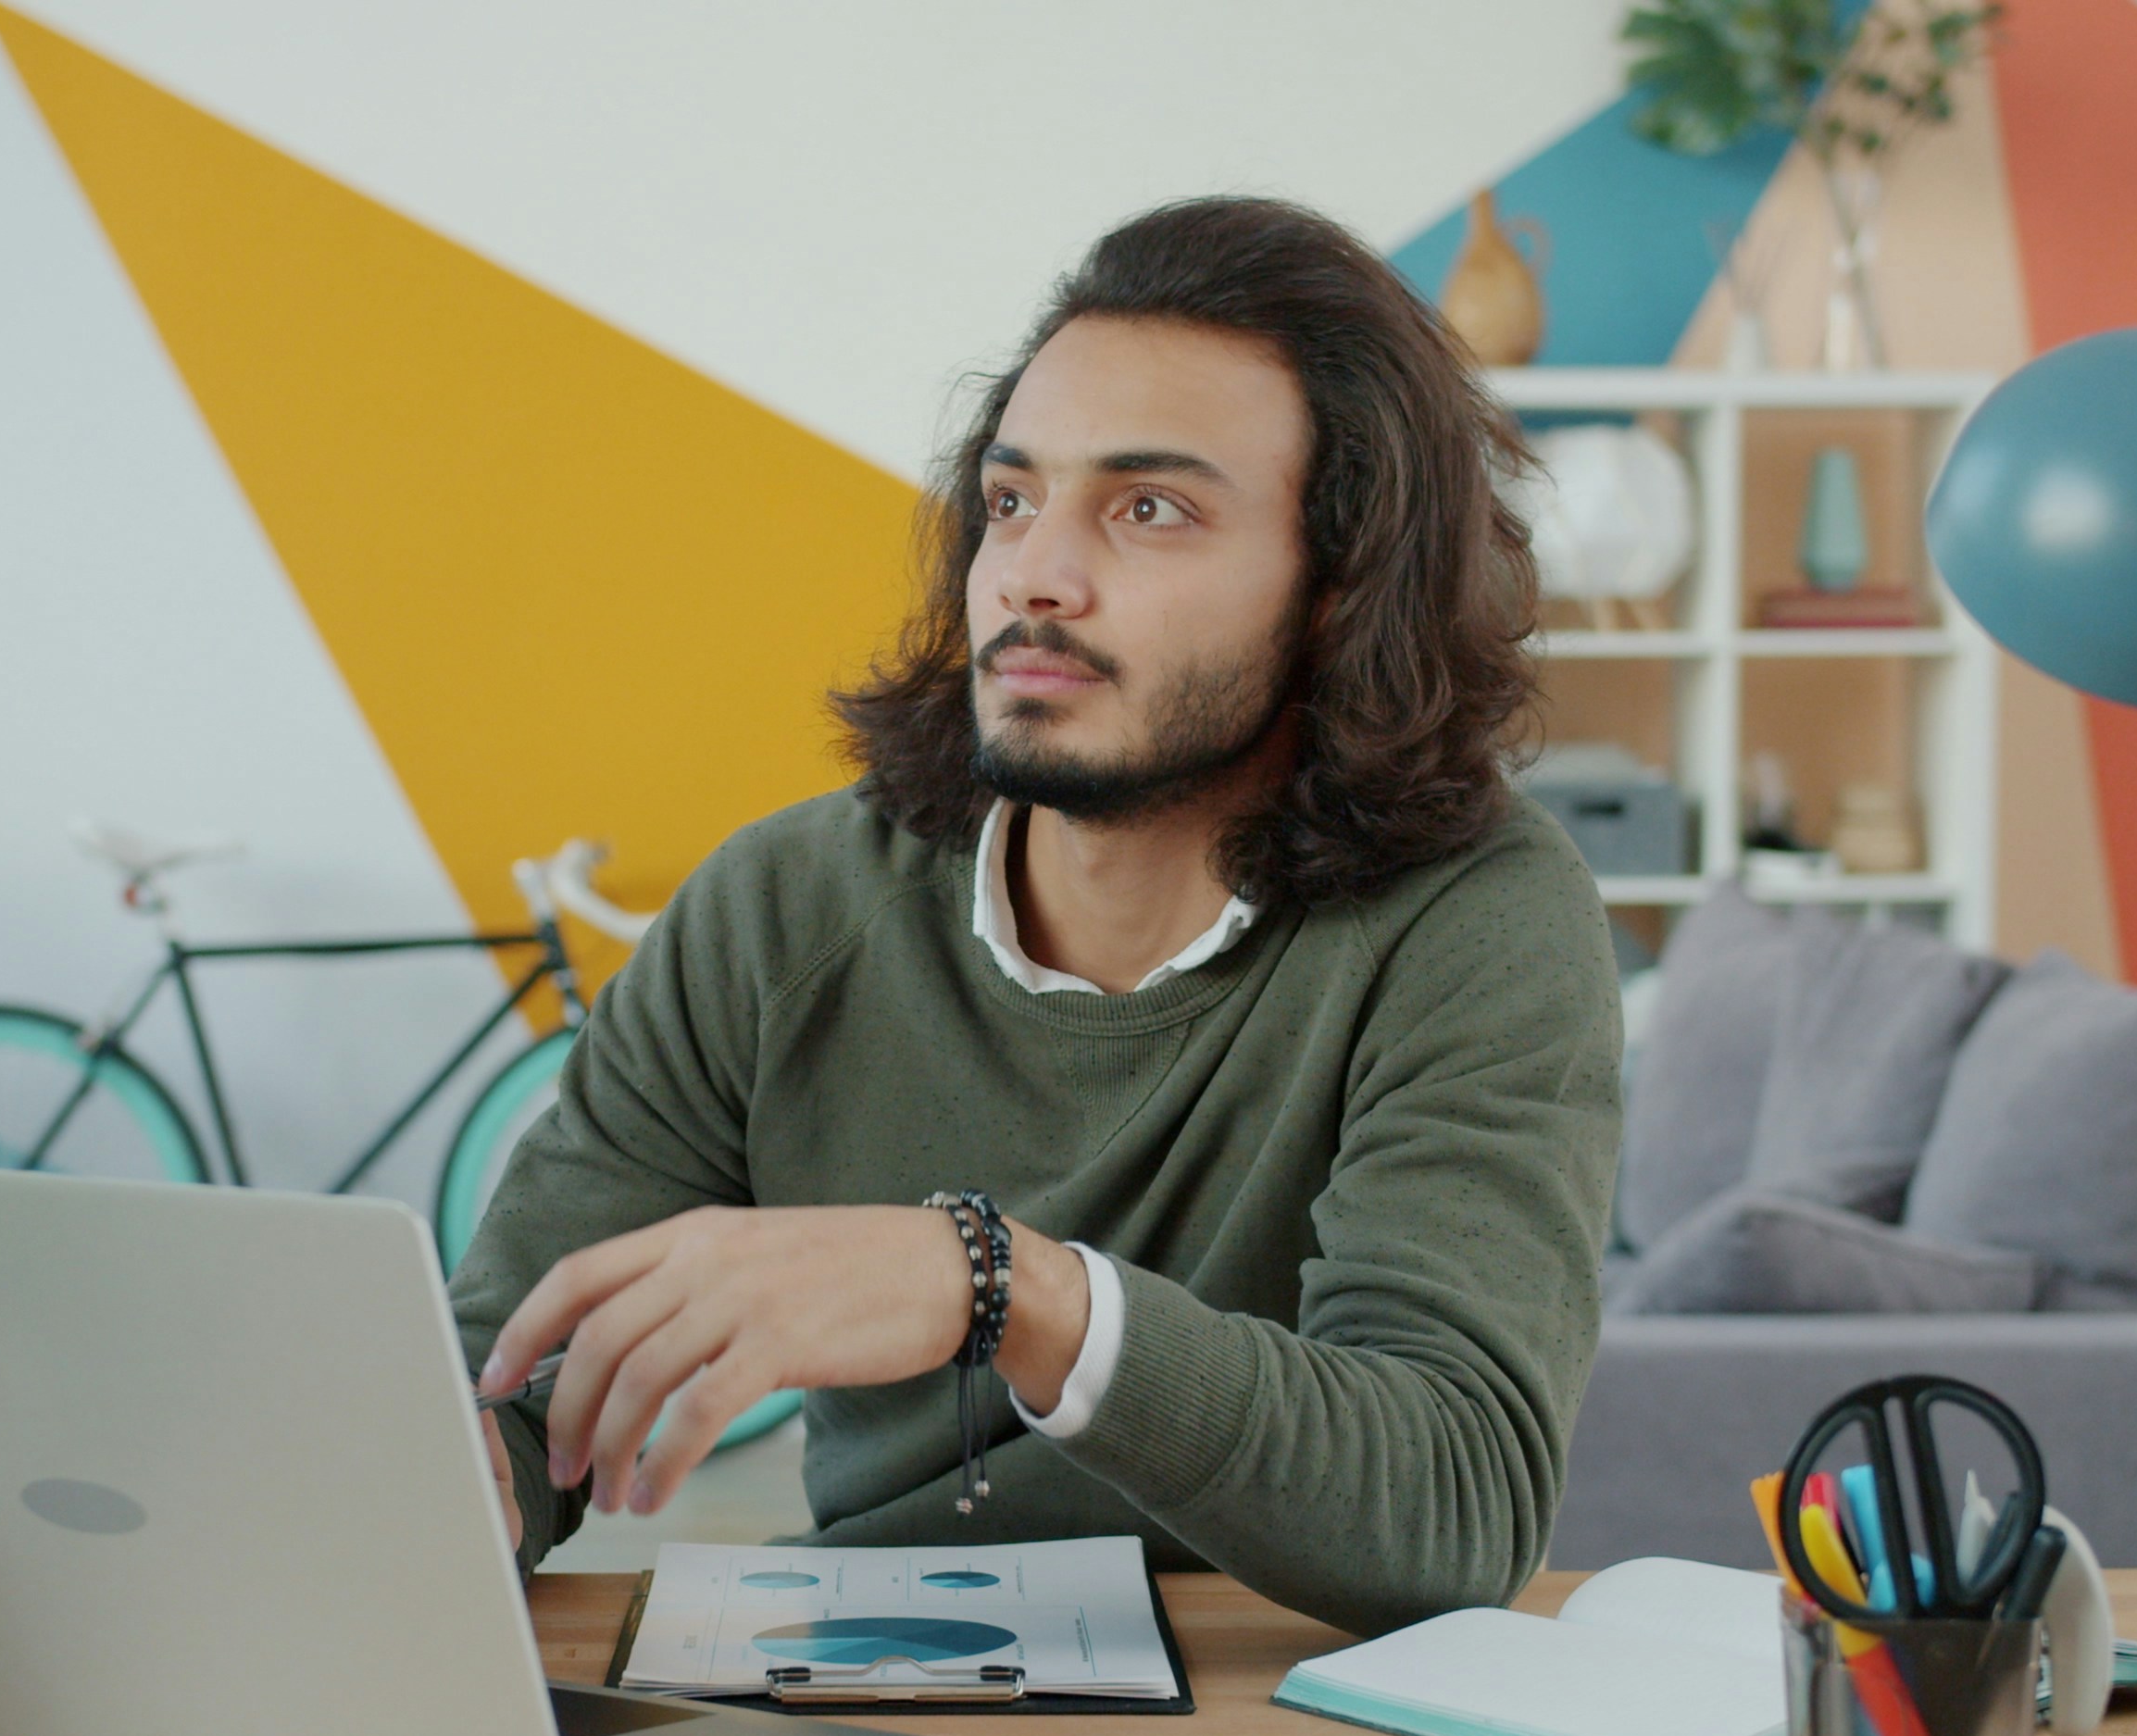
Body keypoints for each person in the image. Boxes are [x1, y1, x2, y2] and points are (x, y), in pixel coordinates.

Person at [459, 195, 1618, 1635]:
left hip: (1295, 1732)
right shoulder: (783, 906)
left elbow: (1455, 1506)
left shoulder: (1475, 917)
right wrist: (449, 1489)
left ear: (1341, 586)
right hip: (869, 1694)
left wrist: (1002, 1287)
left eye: (1149, 510)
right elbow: (500, 1382)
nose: (1032, 575)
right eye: (1011, 500)